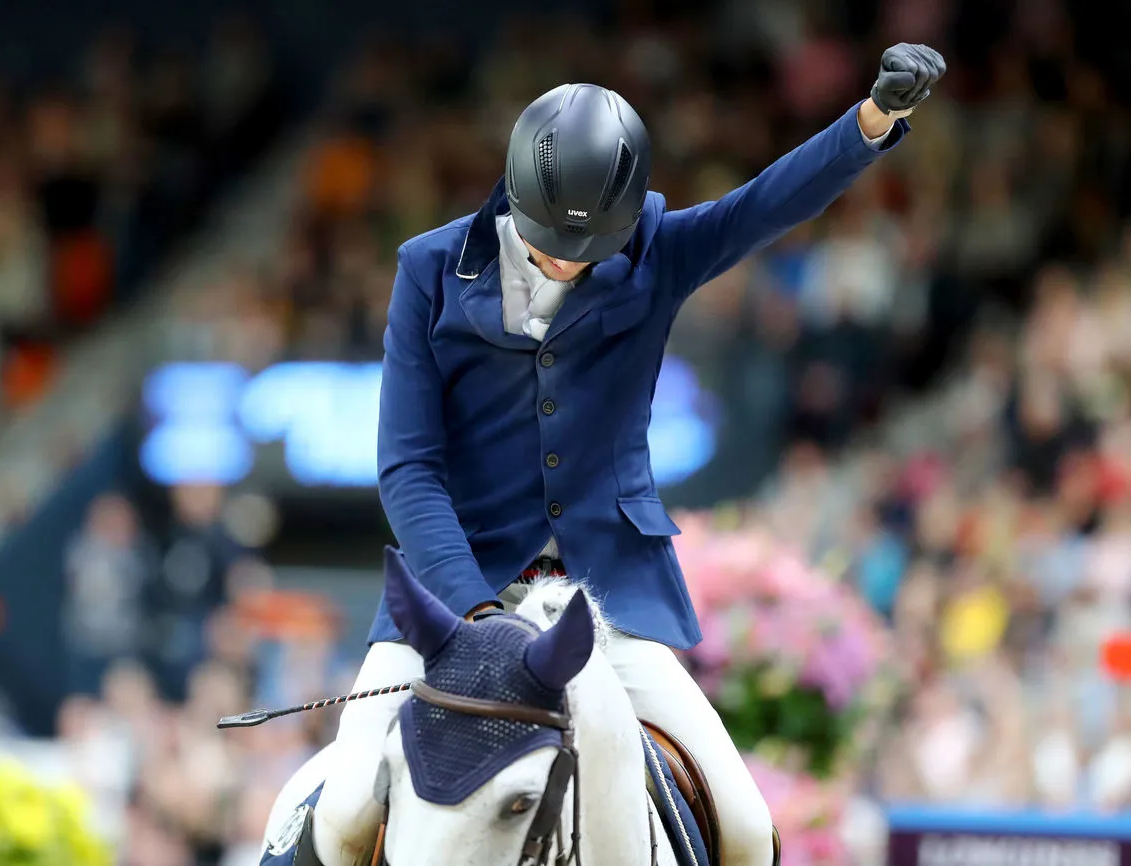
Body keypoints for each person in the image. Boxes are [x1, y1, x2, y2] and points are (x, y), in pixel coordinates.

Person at [311, 43, 947, 866]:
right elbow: (408, 467)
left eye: (591, 246)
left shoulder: (655, 252)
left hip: (604, 607)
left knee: (746, 828)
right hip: (454, 602)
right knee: (340, 818)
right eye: (552, 242)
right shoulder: (429, 270)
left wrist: (873, 120)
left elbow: (763, 205)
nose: (569, 261)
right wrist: (473, 615)